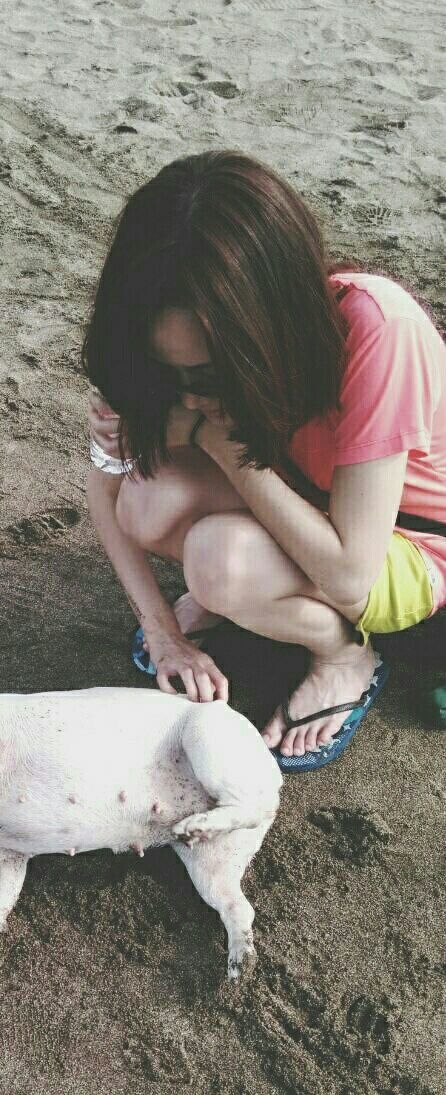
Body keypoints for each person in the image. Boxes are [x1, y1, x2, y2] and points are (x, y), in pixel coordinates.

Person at [82, 151, 446, 772]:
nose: (189, 394)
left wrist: (217, 443)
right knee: (145, 500)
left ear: (267, 324)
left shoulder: (377, 328)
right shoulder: (157, 334)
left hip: (410, 540)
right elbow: (108, 493)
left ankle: (343, 655)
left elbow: (351, 574)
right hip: (309, 498)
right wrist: (163, 633)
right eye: (173, 372)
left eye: (208, 373)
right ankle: (245, 600)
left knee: (219, 562)